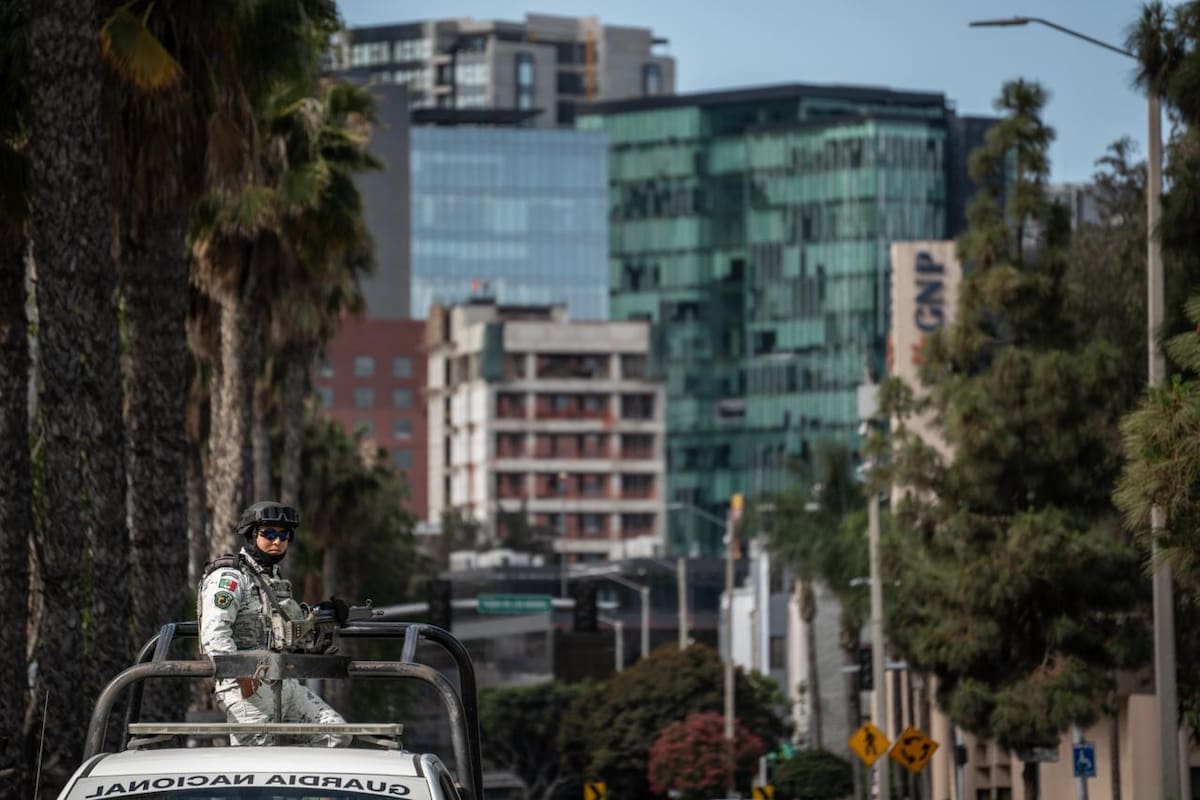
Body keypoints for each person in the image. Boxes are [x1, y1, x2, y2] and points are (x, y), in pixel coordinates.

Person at [198, 500, 348, 747]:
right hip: (246, 688)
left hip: (282, 680)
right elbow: (215, 634)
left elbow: (289, 630)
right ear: (251, 534)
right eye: (268, 533)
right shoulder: (231, 577)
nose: (277, 541)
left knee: (335, 735)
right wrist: (242, 678)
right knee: (256, 762)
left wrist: (324, 614)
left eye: (283, 535)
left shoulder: (273, 580)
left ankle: (291, 781)